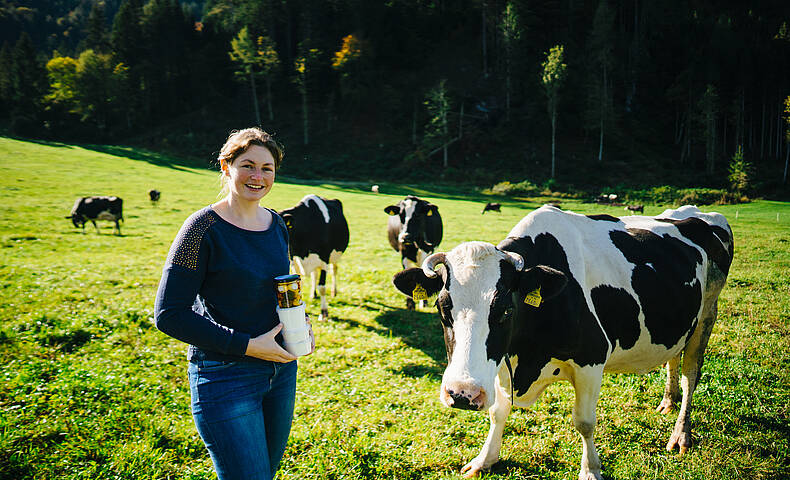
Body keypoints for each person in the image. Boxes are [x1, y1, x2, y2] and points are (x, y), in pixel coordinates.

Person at [154, 127, 313, 480]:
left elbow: (279, 291)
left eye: (267, 168)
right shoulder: (201, 229)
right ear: (226, 167)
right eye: (248, 165)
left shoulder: (276, 224)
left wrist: (300, 324)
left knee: (264, 474)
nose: (258, 176)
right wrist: (248, 345)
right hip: (226, 376)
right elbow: (168, 314)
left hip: (282, 371)